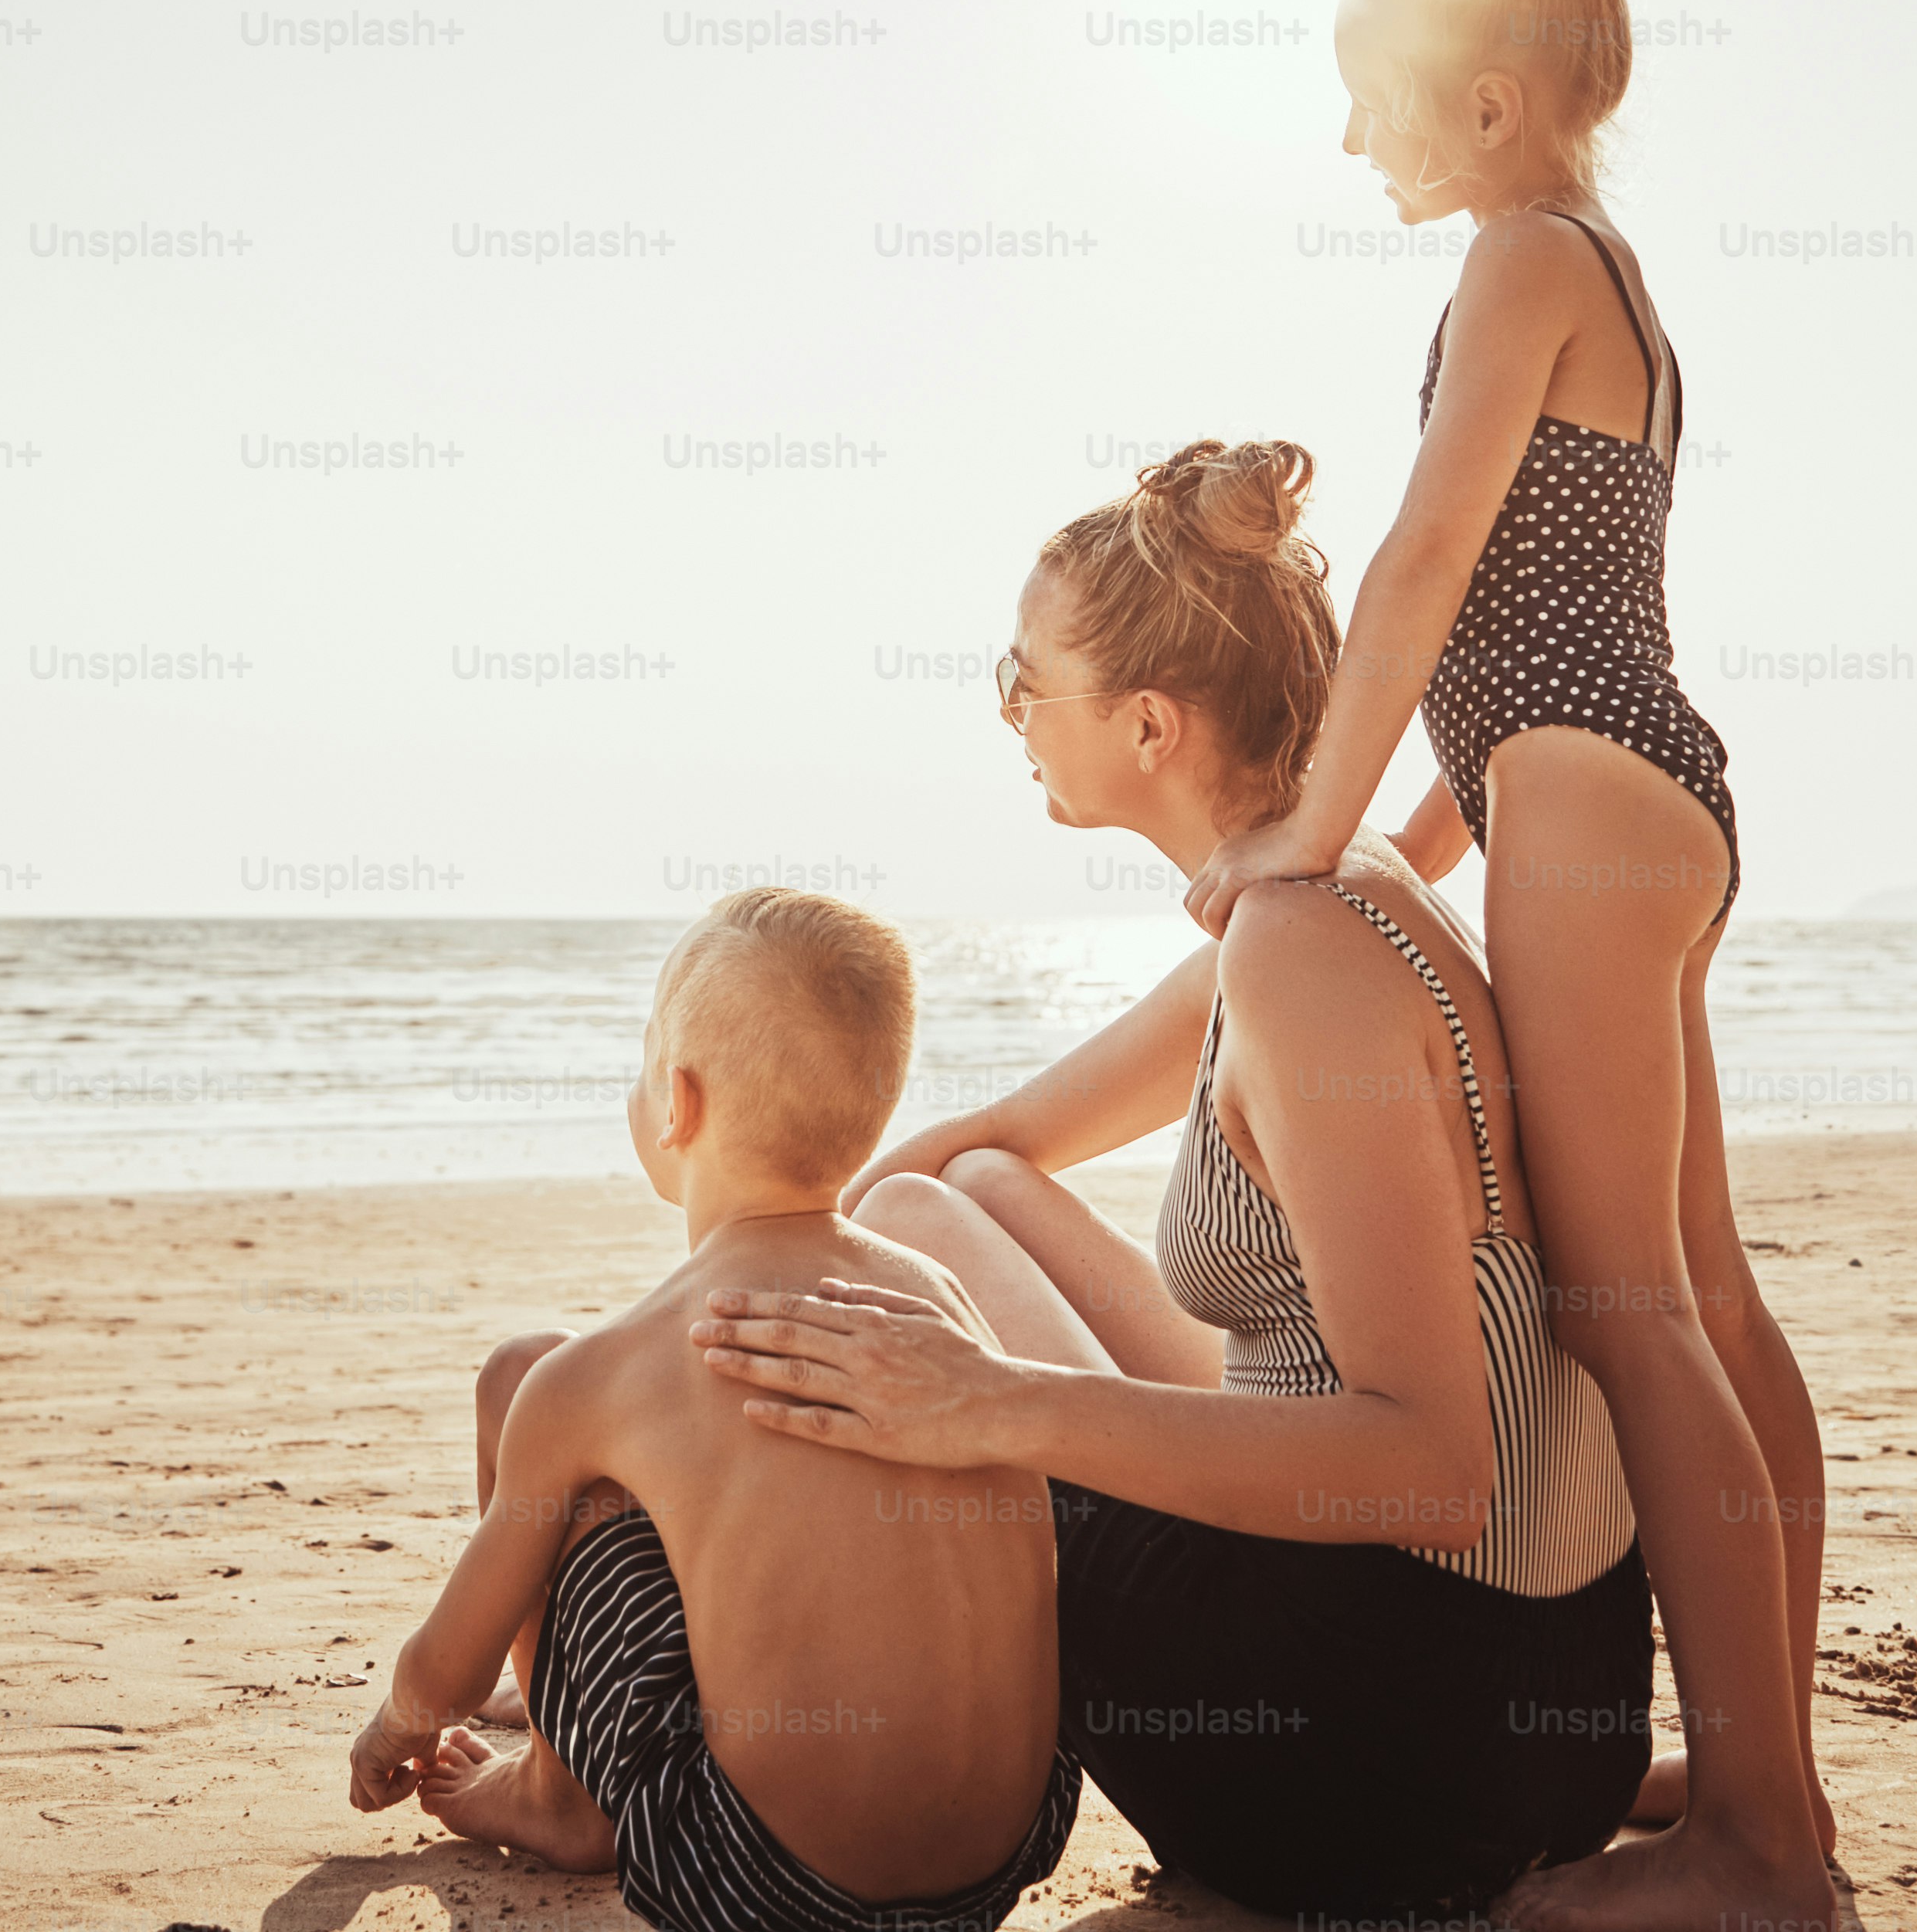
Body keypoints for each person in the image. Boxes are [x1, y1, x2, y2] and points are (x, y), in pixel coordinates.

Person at [693, 441, 1657, 1924]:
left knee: (927, 1315)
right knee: (949, 1203)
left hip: (1390, 1751)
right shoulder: (1316, 902)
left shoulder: (1302, 959)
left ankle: (725, 1693)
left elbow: (1433, 1470)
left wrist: (980, 1402)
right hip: (1548, 1714)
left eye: (1025, 678)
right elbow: (968, 1153)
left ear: (1147, 724)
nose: (1007, 710)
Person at [1175, 0, 1832, 1932]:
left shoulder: (1518, 261)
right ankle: (1757, 1762)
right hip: (1635, 788)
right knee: (1703, 1295)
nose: (1352, 140)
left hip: (1590, 799)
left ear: (1477, 96)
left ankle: (1766, 1841)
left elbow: (1436, 567)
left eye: (1368, 99)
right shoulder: (1600, 276)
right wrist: (1417, 832)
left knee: (1635, 1310)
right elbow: (1529, 625)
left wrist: (1295, 834)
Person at [345, 887, 1082, 1932]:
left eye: (644, 1062)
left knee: (521, 1381)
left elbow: (447, 1672)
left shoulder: (611, 1370)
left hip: (762, 1882)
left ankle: (560, 1797)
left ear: (677, 1105)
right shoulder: (932, 1303)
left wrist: (392, 1733)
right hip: (1005, 1856)